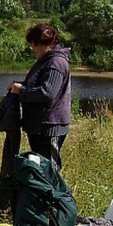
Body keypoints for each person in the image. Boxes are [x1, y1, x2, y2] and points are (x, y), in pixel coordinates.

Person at [8, 23, 71, 170]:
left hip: (50, 126)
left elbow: (47, 92)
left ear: (46, 44)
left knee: (49, 168)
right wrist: (19, 85)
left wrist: (21, 91)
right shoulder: (45, 60)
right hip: (39, 126)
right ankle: (42, 193)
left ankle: (54, 193)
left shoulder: (56, 62)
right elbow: (37, 84)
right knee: (40, 167)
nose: (32, 48)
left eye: (34, 45)